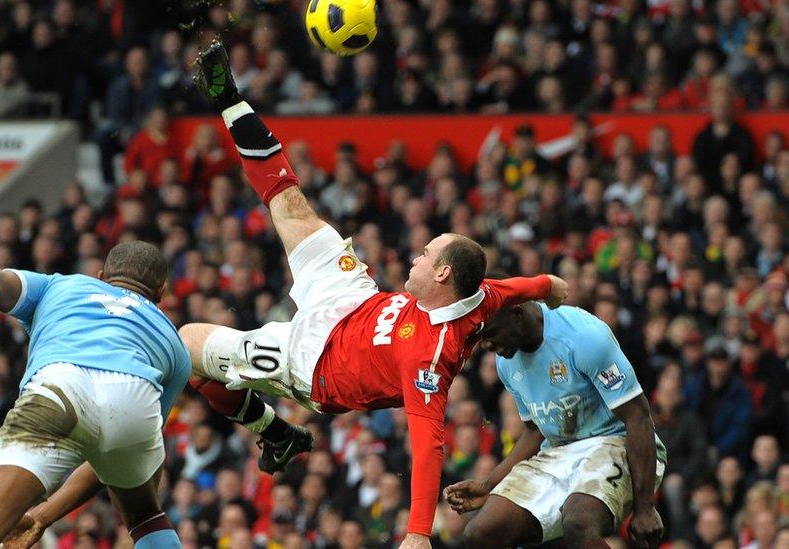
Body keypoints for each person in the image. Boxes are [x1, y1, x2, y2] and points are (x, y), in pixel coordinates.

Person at [178, 41, 569, 548]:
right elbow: (522, 286)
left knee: (187, 344)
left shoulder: (430, 357)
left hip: (316, 363)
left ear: (444, 273)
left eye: (425, 255)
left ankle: (273, 430)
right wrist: (550, 286)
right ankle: (231, 98)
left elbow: (428, 445)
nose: (415, 256)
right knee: (291, 204)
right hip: (353, 298)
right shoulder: (480, 293)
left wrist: (418, 533)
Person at [0, 240, 191, 549]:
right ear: (161, 293)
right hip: (135, 401)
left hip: (61, 386)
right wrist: (43, 516)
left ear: (100, 276)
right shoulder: (176, 346)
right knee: (145, 514)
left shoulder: (60, 285)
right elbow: (111, 454)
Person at [444, 302, 667, 549]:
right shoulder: (506, 361)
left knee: (579, 521)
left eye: (490, 334)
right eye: (481, 337)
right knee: (480, 533)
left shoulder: (583, 336)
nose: (486, 345)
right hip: (558, 451)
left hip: (615, 440)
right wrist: (488, 484)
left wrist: (645, 508)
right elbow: (534, 430)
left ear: (516, 314)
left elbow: (638, 417)